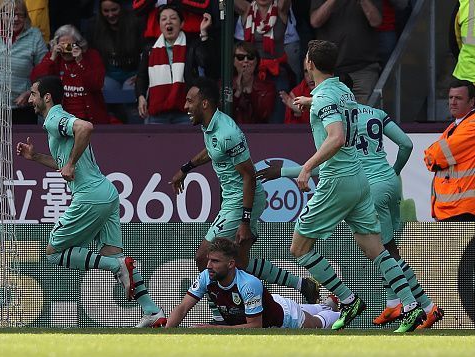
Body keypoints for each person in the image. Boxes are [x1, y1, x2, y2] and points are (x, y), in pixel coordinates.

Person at [257, 40, 426, 332]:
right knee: (377, 250)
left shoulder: (324, 98)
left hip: (337, 180)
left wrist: (307, 167)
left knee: (299, 249)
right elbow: (334, 105)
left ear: (309, 63)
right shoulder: (343, 91)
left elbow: (335, 137)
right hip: (360, 180)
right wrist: (309, 102)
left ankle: (348, 300)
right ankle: (412, 306)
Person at [16, 75, 165, 328]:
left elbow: (85, 127)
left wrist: (72, 164)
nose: (30, 99)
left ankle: (116, 266)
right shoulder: (55, 123)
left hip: (90, 196)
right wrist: (36, 157)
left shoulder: (54, 118)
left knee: (53, 253)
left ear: (47, 97)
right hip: (106, 193)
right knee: (114, 254)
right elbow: (63, 163)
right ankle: (152, 311)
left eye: (33, 94)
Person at [169, 77, 320, 321]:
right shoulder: (209, 126)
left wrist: (245, 221)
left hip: (241, 200)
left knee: (204, 257)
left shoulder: (227, 132)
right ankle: (301, 284)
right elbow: (212, 149)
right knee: (239, 263)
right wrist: (186, 168)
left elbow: (249, 176)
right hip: (234, 198)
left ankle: (219, 314)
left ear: (204, 103)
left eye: (190, 101)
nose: (185, 106)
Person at [166, 237, 340, 328]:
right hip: (270, 303)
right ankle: (328, 304)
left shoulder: (248, 284)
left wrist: (210, 328)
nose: (209, 266)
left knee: (316, 324)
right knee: (307, 309)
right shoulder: (207, 275)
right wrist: (167, 336)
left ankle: (343, 314)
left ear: (231, 264)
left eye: (215, 261)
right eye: (209, 260)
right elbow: (182, 308)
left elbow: (255, 326)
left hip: (285, 318)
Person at [135, 5, 215, 124]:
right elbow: (142, 76)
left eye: (173, 18)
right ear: (159, 25)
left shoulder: (191, 46)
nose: (168, 22)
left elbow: (206, 62)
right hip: (157, 115)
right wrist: (141, 96)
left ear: (182, 24)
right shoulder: (150, 49)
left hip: (186, 112)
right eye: (163, 19)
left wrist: (203, 33)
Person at [424, 79, 475, 222]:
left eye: (458, 98)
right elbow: (430, 156)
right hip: (452, 208)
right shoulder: (457, 125)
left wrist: (434, 158)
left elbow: (435, 154)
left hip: (463, 210)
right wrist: (433, 157)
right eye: (450, 97)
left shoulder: (474, 127)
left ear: (471, 102)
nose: (453, 102)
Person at [31, 24, 109, 124]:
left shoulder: (91, 56)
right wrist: (52, 58)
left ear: (79, 44)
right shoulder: (54, 58)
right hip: (61, 119)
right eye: (62, 45)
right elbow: (36, 81)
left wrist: (80, 61)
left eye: (70, 45)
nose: (67, 50)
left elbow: (96, 84)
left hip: (88, 119)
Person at [309, 0, 382, 104]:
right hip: (330, 71)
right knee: (331, 116)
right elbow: (315, 21)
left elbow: (376, 21)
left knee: (365, 117)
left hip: (363, 68)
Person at [84, 0, 144, 123]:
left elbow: (146, 51)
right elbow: (90, 56)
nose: (110, 15)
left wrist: (141, 74)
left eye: (114, 10)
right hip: (108, 75)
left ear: (121, 8)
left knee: (131, 90)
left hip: (132, 74)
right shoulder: (94, 27)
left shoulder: (136, 23)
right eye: (106, 11)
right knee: (104, 90)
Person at [235, 0, 293, 124]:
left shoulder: (281, 9)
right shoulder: (247, 9)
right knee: (252, 118)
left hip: (277, 72)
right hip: (252, 73)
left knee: (276, 120)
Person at [232, 41, 276, 124]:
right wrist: (237, 93)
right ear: (233, 61)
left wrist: (250, 91)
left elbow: (264, 115)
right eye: (240, 57)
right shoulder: (225, 85)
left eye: (250, 57)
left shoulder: (267, 87)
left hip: (258, 134)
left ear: (256, 61)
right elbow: (223, 116)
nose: (246, 61)